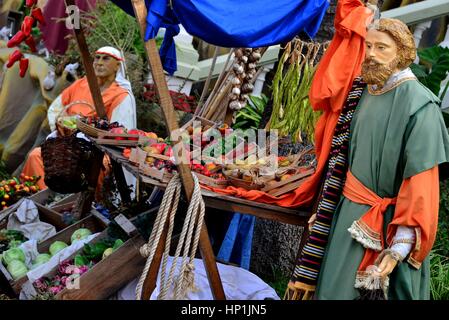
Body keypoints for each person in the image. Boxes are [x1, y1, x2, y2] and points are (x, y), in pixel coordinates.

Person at [312, 18, 449, 299]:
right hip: (347, 218)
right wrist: (326, 206)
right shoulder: (363, 93)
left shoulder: (420, 106)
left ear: (402, 53)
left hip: (388, 226)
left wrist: (400, 246)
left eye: (382, 47)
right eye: (369, 45)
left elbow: (421, 186)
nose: (371, 54)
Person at [22, 46, 137, 190]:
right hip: (66, 145)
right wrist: (63, 127)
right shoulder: (81, 84)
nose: (99, 62)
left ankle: (84, 205)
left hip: (99, 150)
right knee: (35, 156)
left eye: (106, 58)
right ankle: (45, 199)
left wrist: (90, 133)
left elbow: (119, 133)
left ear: (118, 66)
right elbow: (56, 109)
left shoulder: (121, 95)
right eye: (97, 58)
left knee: (103, 168)